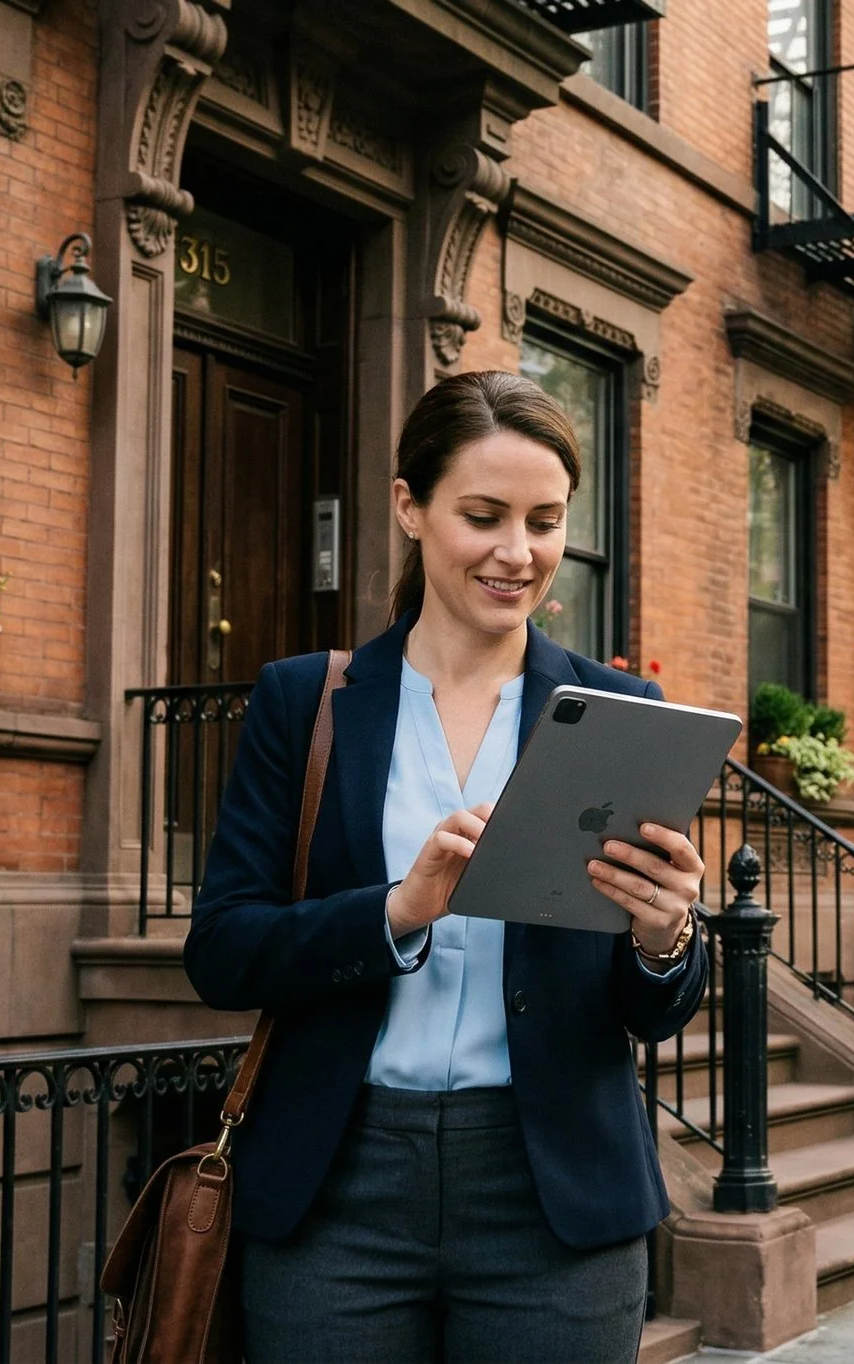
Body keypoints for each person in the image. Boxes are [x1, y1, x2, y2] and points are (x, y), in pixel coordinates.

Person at [185, 373, 711, 1361]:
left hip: (553, 1190)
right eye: (484, 515)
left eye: (544, 520)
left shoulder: (619, 708)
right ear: (409, 506)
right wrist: (395, 907)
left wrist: (663, 937)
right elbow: (220, 950)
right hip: (335, 1184)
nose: (519, 552)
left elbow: (654, 1008)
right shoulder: (307, 702)